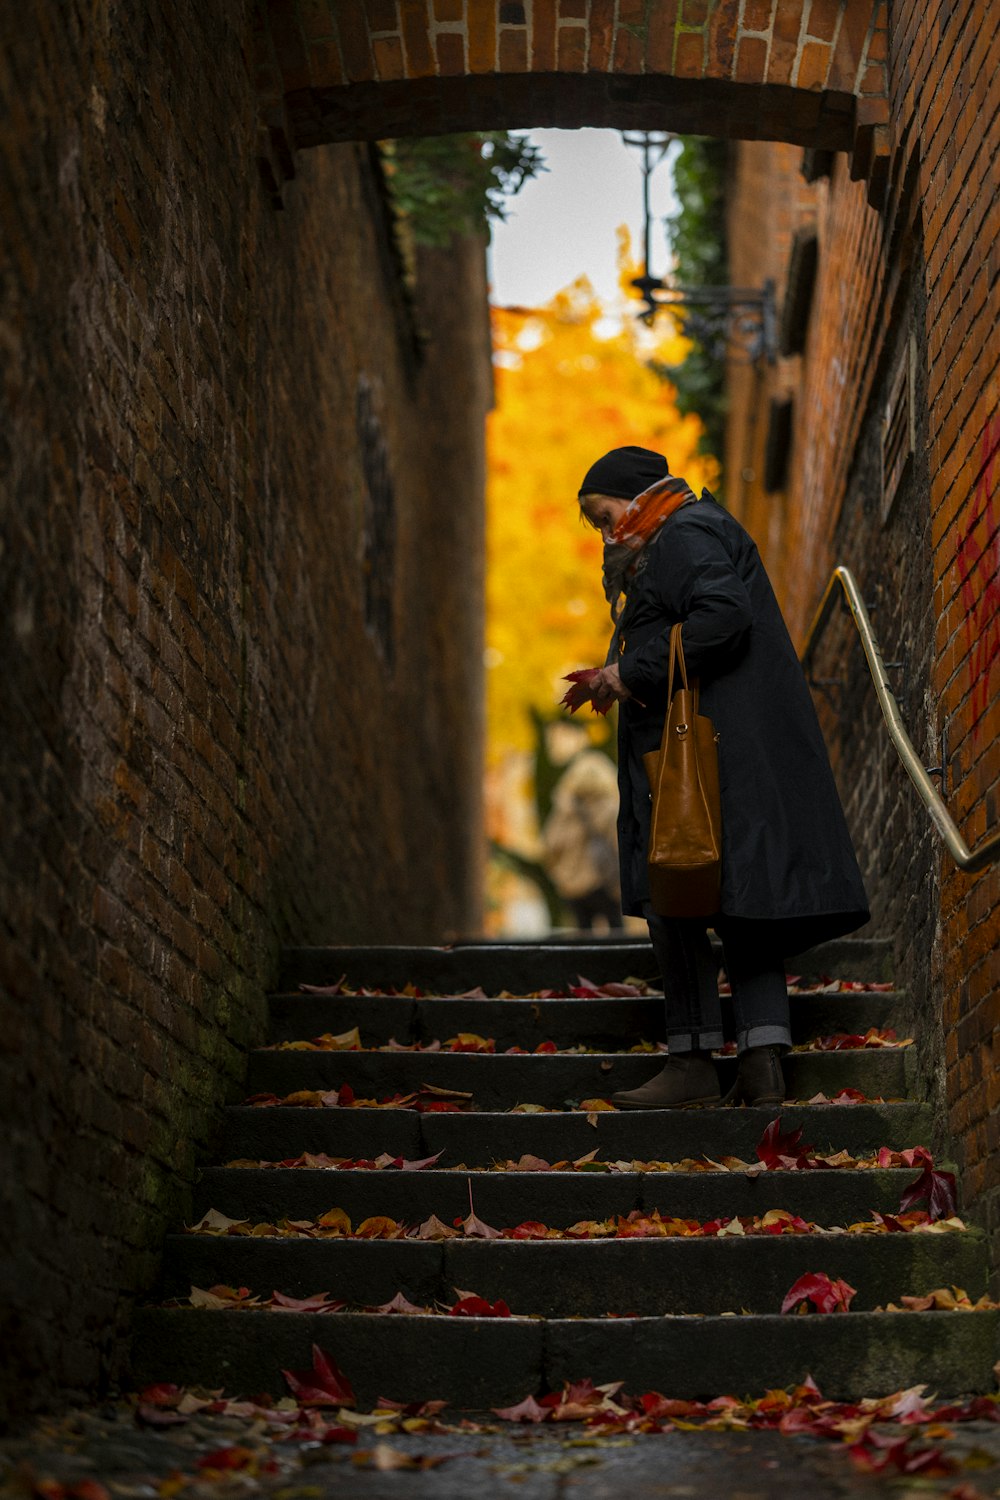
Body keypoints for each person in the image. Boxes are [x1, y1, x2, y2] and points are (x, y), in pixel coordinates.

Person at [576, 446, 869, 1108]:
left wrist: (629, 671)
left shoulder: (681, 535)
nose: (604, 533)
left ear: (637, 496)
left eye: (604, 515)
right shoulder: (696, 528)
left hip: (698, 759)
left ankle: (691, 1061)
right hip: (729, 752)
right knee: (743, 900)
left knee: (673, 896)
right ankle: (763, 1061)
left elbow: (721, 614)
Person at [540, 749, 624, 931]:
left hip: (572, 884)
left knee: (582, 933)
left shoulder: (564, 811)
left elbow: (550, 845)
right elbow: (621, 845)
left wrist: (560, 874)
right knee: (616, 931)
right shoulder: (612, 808)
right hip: (605, 880)